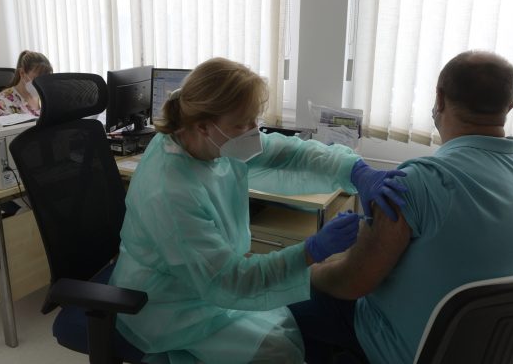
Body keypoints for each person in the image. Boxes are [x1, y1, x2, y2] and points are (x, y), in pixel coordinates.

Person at [109, 57, 407, 364]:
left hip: (206, 279)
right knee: (276, 351)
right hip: (167, 304)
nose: (254, 131)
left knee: (283, 330)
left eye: (254, 119)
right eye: (243, 123)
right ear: (203, 126)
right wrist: (311, 250)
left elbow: (287, 153)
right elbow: (229, 281)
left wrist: (354, 169)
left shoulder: (206, 139)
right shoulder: (170, 193)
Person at [288, 50, 513, 364]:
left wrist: (309, 272)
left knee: (288, 296)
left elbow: (353, 282)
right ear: (510, 105)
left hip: (405, 351)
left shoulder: (419, 182)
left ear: (439, 98)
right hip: (490, 350)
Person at [0, 50, 53, 118]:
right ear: (22, 73)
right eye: (38, 78)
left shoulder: (47, 99)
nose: (42, 83)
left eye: (46, 79)